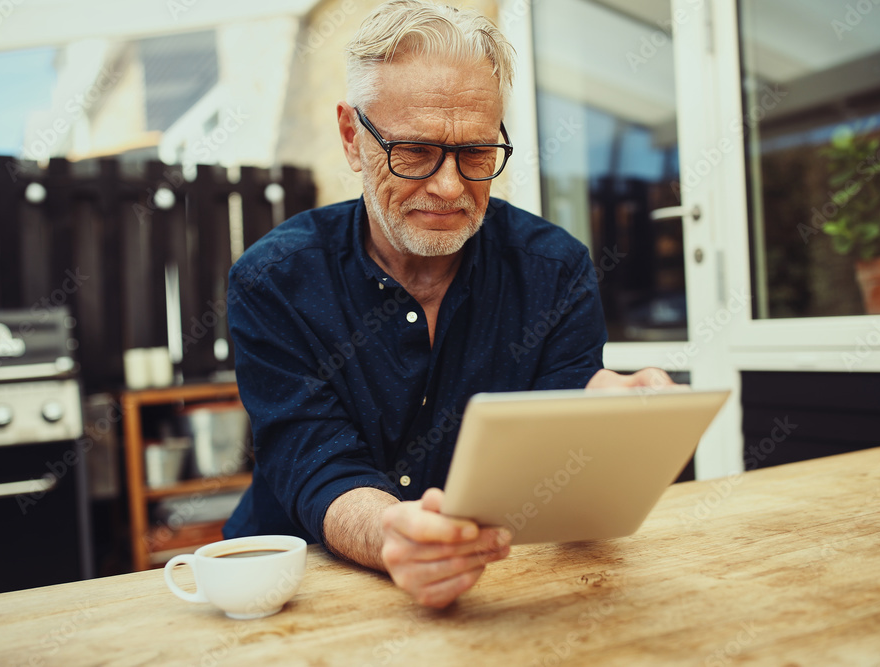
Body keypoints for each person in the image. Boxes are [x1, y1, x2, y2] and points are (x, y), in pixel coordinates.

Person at [223, 0, 674, 608]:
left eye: (476, 154)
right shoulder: (274, 281)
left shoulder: (556, 269)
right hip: (302, 590)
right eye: (414, 151)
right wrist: (395, 537)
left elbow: (558, 431)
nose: (449, 187)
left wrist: (609, 414)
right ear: (353, 138)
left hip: (500, 587)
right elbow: (315, 459)